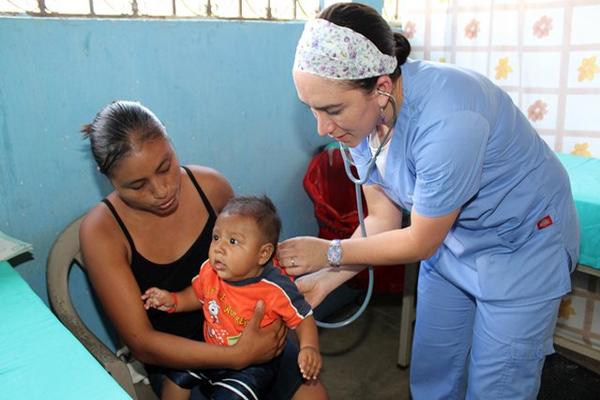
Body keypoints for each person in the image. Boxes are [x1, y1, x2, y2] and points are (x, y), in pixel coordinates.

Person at [277, 3, 580, 400]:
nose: (323, 127)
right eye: (312, 109)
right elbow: (383, 220)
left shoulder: (450, 120)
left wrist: (330, 253)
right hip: (452, 241)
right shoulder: (363, 121)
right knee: (435, 370)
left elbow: (420, 240)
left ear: (382, 87)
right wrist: (325, 281)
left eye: (332, 109)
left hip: (521, 246)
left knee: (498, 385)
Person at [79, 100, 327, 400]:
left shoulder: (210, 187)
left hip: (246, 328)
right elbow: (142, 343)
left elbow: (260, 270)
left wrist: (268, 333)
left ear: (169, 140)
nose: (162, 190)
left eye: (165, 167)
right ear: (108, 178)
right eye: (137, 185)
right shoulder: (102, 233)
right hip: (179, 357)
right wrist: (237, 356)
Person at [142, 195, 322, 400]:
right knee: (176, 378)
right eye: (216, 237)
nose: (219, 248)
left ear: (263, 254)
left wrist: (309, 347)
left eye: (233, 241)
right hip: (211, 349)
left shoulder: (275, 289)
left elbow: (303, 317)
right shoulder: (210, 270)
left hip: (254, 364)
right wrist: (174, 300)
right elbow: (198, 293)